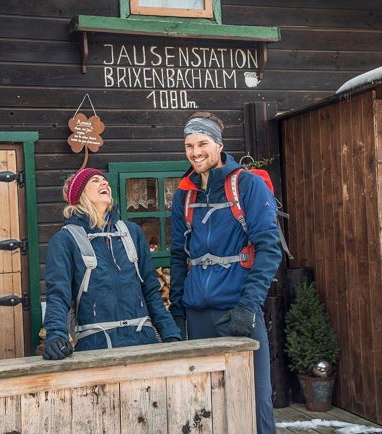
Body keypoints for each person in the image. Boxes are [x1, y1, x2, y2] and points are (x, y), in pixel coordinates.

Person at [170, 112, 282, 434]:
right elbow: (179, 256)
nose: (195, 152)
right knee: (204, 404)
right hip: (197, 314)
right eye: (189, 145)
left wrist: (248, 306)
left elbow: (269, 248)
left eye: (202, 143)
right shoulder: (184, 194)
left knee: (254, 399)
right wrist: (177, 310)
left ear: (218, 145)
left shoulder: (247, 184)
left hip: (237, 311)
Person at [43, 167, 181, 360]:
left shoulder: (132, 233)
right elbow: (58, 294)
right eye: (95, 181)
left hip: (143, 342)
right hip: (96, 346)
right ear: (79, 194)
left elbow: (150, 289)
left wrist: (170, 333)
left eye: (105, 180)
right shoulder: (65, 240)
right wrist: (55, 336)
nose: (104, 183)